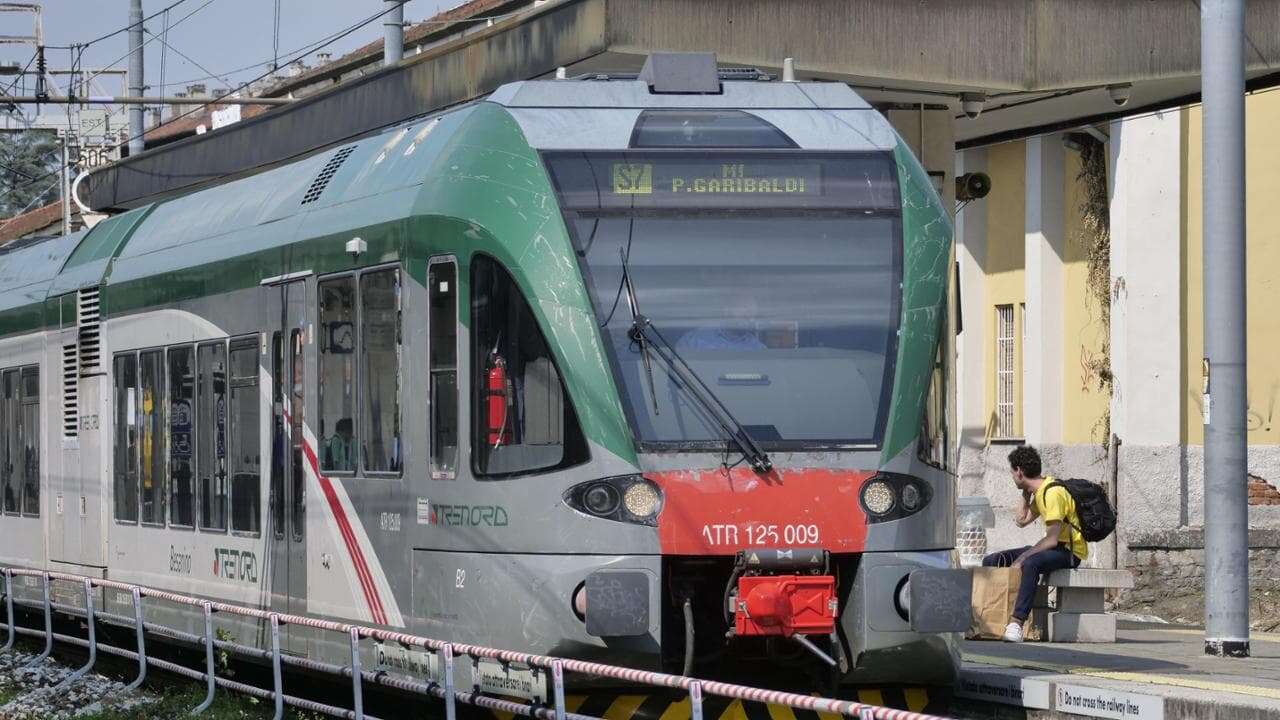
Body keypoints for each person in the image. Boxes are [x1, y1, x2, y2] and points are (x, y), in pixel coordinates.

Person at [982, 445, 1088, 643]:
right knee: (993, 560)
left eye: (1013, 473)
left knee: (1030, 563)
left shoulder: (1052, 493)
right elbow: (1021, 521)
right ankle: (989, 617)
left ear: (1019, 471)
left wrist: (1022, 558)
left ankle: (1016, 623)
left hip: (1069, 552)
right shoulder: (1039, 492)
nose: (1012, 477)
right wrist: (1025, 493)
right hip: (1052, 548)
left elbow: (1052, 539)